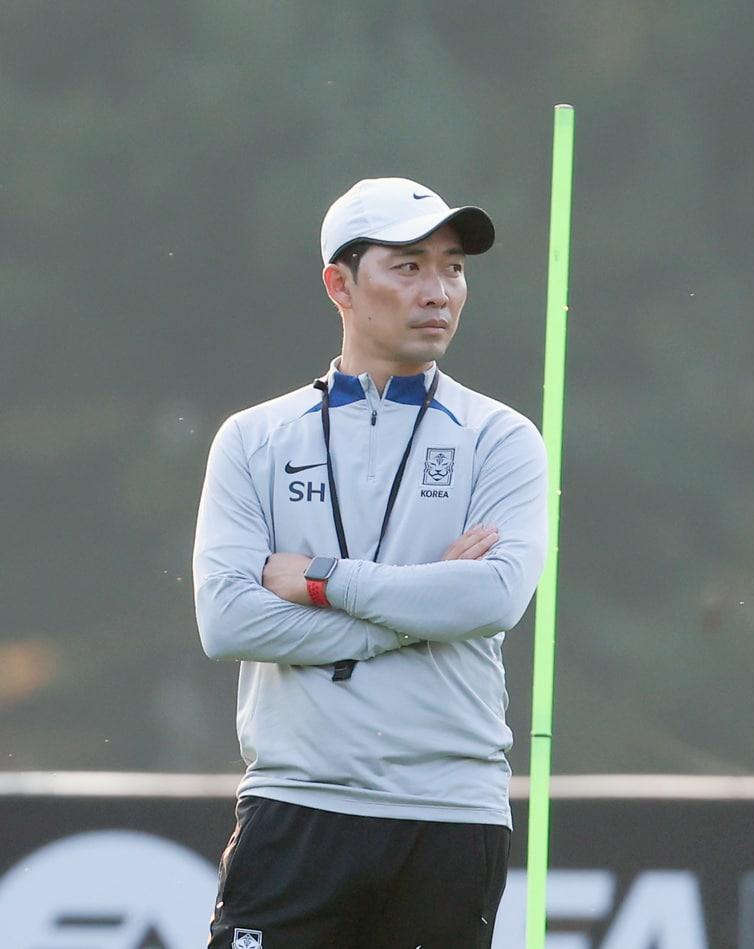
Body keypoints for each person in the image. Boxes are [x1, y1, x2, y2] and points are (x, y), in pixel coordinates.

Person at [192, 176, 547, 948]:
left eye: (452, 267)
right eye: (409, 266)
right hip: (296, 805)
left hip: (448, 813)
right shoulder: (253, 439)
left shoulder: (502, 437)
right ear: (339, 284)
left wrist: (319, 580)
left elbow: (490, 599)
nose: (439, 291)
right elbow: (227, 620)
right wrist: (418, 610)